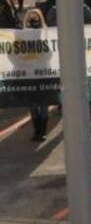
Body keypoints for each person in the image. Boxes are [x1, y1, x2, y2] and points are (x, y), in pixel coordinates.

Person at [22, 8, 50, 141]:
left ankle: (43, 131)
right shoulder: (22, 35)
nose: (33, 20)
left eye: (36, 17)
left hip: (43, 71)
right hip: (29, 73)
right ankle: (36, 130)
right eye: (30, 17)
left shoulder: (46, 33)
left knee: (43, 102)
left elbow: (50, 53)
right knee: (32, 104)